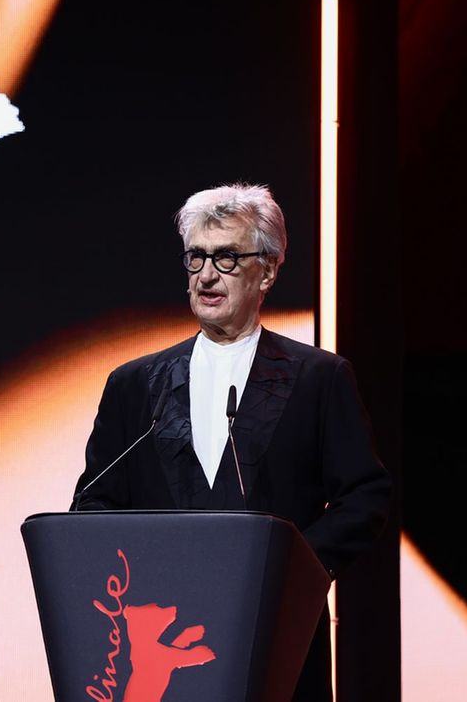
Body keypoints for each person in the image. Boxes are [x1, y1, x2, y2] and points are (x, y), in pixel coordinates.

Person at [73, 182, 391, 701]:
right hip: (163, 644)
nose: (206, 275)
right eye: (195, 258)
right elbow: (94, 500)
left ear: (266, 270)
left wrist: (293, 568)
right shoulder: (133, 385)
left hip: (279, 637)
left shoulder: (319, 378)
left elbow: (365, 496)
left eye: (226, 258)